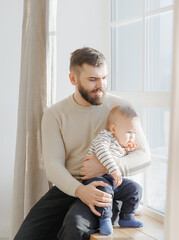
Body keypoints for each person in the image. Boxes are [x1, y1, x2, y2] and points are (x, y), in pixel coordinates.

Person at [14, 47, 151, 240]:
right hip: (68, 186)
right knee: (26, 236)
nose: (101, 85)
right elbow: (54, 166)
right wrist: (79, 190)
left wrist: (105, 167)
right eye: (93, 79)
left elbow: (144, 155)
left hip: (105, 187)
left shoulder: (120, 108)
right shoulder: (55, 114)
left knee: (74, 226)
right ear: (73, 79)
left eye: (104, 78)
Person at [83, 105, 143, 235]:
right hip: (97, 178)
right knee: (105, 191)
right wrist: (115, 169)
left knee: (135, 189)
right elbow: (103, 152)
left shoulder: (121, 144)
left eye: (134, 133)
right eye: (129, 132)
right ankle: (105, 220)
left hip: (113, 179)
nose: (132, 137)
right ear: (114, 129)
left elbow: (121, 156)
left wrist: (129, 150)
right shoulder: (104, 138)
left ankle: (127, 217)